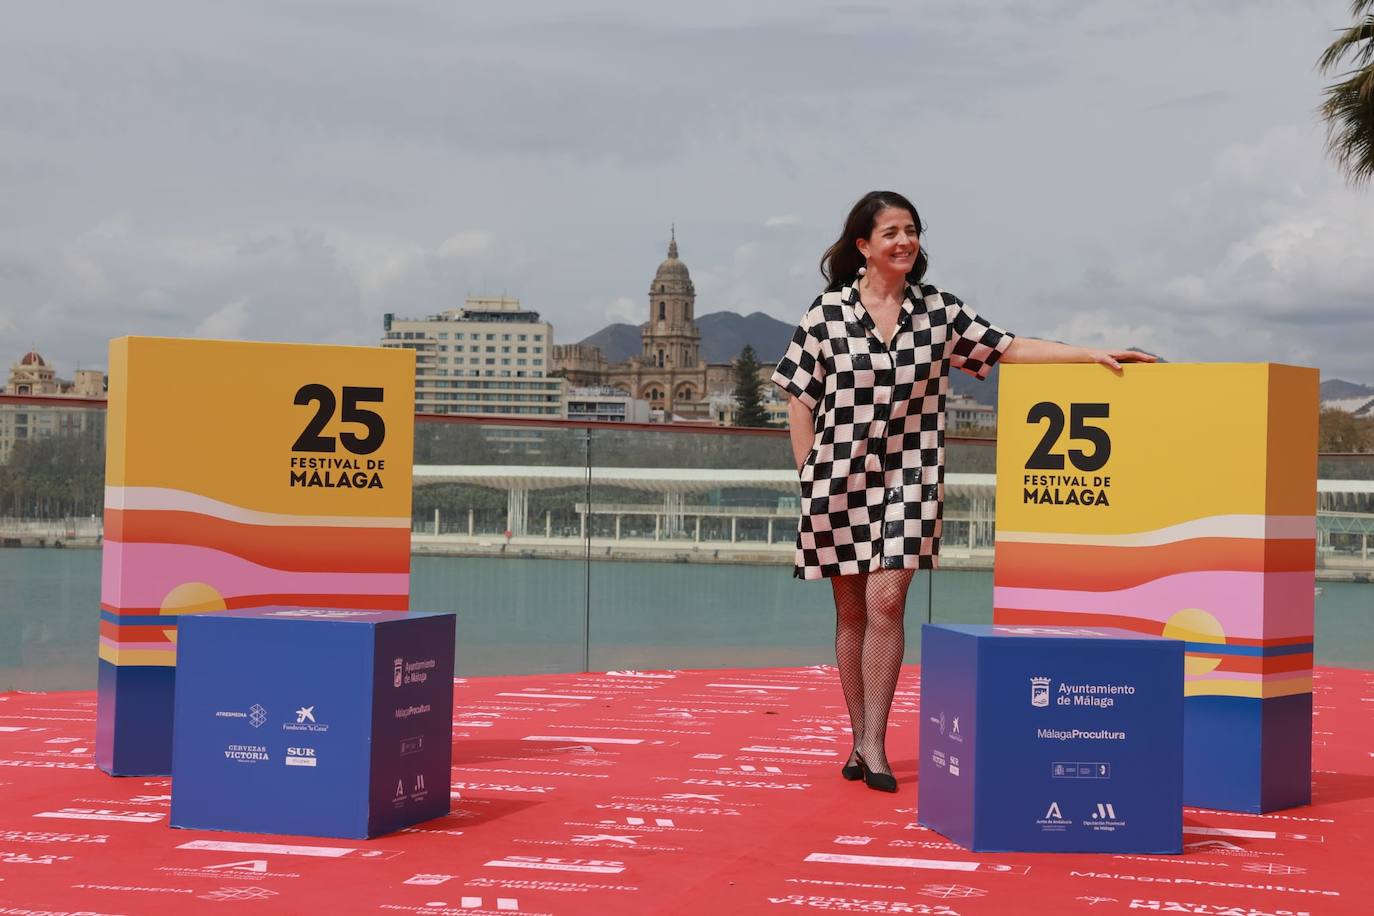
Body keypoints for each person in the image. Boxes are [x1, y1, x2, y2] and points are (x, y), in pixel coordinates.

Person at [771, 190, 1155, 792]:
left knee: (887, 600)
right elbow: (798, 396)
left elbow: (1010, 348)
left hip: (911, 476)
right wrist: (807, 474)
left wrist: (1090, 354)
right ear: (863, 245)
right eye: (891, 232)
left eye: (912, 230)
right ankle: (857, 737)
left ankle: (874, 743)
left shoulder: (939, 313)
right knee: (850, 612)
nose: (905, 241)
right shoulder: (826, 313)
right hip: (836, 476)